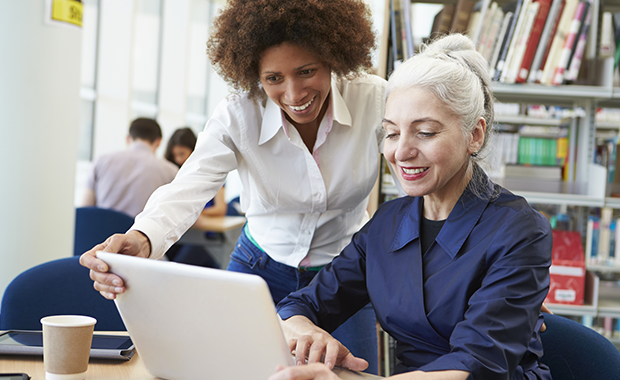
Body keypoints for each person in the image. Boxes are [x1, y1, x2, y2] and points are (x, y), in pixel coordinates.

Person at [80, 0, 385, 373]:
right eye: (274, 78)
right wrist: (143, 237)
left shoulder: (376, 101)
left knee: (351, 374)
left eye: (307, 71)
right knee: (231, 373)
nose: (293, 94)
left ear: (334, 58)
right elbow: (188, 187)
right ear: (254, 73)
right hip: (258, 271)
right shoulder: (238, 114)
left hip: (343, 277)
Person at [270, 34, 552, 380]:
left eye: (426, 133)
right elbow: (301, 305)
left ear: (474, 135)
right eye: (391, 133)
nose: (400, 152)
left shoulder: (519, 230)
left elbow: (474, 365)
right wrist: (306, 333)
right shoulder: (388, 222)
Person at [80, 117, 178, 218]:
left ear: (128, 139)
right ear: (158, 142)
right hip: (140, 233)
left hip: (100, 232)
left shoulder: (101, 161)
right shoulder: (170, 171)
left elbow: (85, 210)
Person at [164, 127, 227, 218]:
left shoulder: (210, 173)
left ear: (194, 150)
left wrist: (191, 214)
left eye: (182, 154)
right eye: (174, 155)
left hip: (207, 227)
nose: (178, 159)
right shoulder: (173, 173)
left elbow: (221, 209)